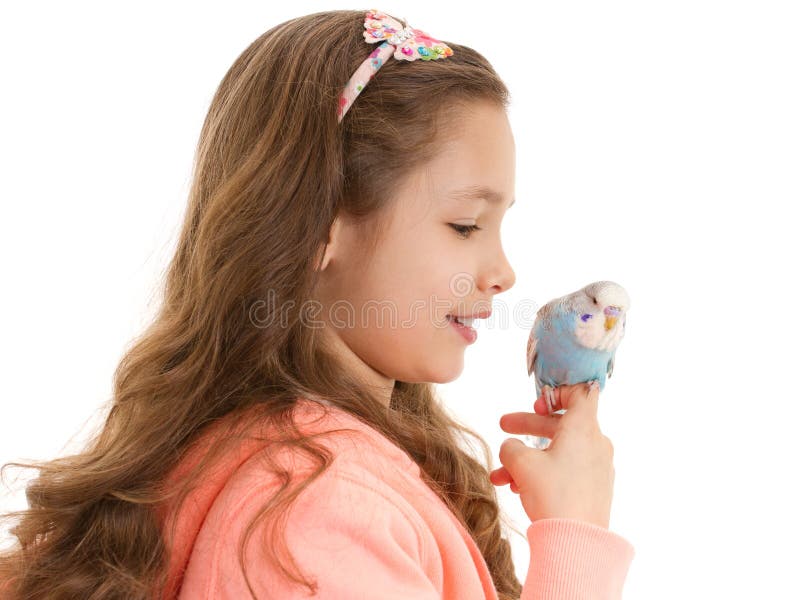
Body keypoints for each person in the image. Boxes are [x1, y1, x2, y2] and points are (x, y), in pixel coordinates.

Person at [0, 9, 634, 599]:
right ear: (322, 226)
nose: (503, 272)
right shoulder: (316, 515)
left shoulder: (289, 466)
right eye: (466, 225)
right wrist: (575, 540)